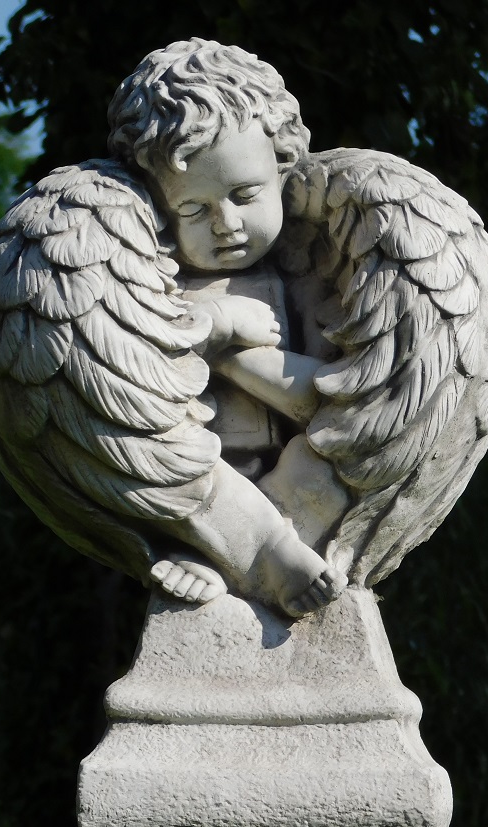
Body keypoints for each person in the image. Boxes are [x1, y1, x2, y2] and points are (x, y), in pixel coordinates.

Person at [105, 38, 352, 614]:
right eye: (194, 209)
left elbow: (323, 401)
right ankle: (226, 546)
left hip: (291, 469)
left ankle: (270, 545)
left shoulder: (304, 281)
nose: (227, 224)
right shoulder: (154, 284)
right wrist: (211, 323)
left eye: (245, 194)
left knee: (334, 467)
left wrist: (228, 353)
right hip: (205, 469)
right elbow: (139, 382)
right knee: (160, 472)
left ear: (282, 164)